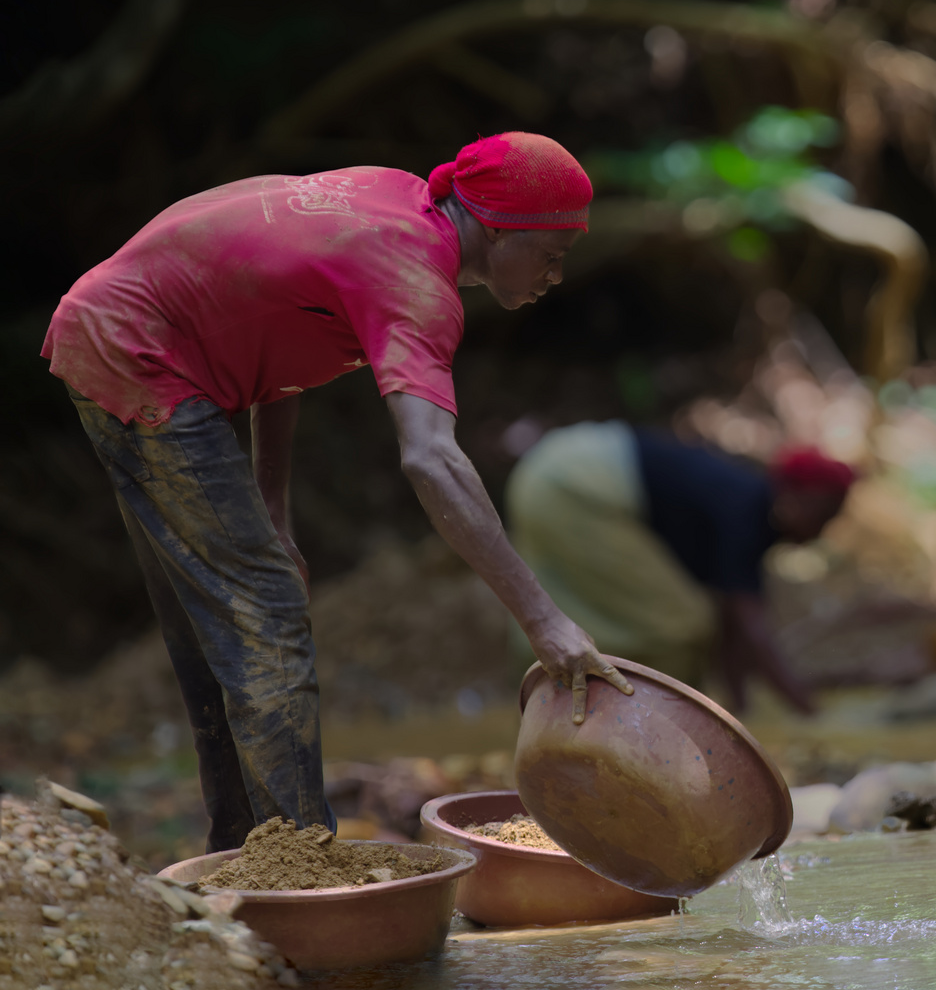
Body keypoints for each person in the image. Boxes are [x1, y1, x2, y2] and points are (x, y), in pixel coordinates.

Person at [41, 132, 632, 853]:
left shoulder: (399, 206)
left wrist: (273, 508)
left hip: (134, 334)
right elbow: (431, 460)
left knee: (219, 622)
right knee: (265, 613)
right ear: (502, 230)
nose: (556, 276)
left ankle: (241, 854)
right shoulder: (415, 280)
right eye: (552, 255)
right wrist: (544, 620)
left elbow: (281, 337)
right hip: (137, 348)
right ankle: (304, 868)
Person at [505, 423, 853, 713]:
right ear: (794, 498)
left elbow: (732, 626)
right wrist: (810, 714)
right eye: (823, 515)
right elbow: (752, 630)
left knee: (574, 607)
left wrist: (740, 712)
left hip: (547, 469)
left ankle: (558, 714)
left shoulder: (749, 505)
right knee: (682, 627)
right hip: (576, 487)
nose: (823, 530)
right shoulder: (748, 512)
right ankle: (643, 727)